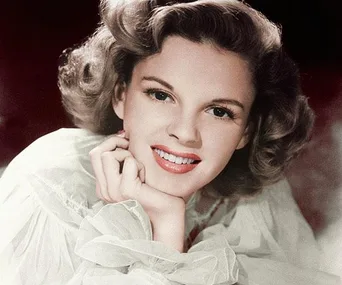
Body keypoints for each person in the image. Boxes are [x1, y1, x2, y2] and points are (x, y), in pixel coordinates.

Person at [0, 0, 340, 284]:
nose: (185, 132)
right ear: (121, 96)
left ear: (247, 132)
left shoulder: (253, 208)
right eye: (161, 95)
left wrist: (165, 221)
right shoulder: (49, 188)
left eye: (219, 111)